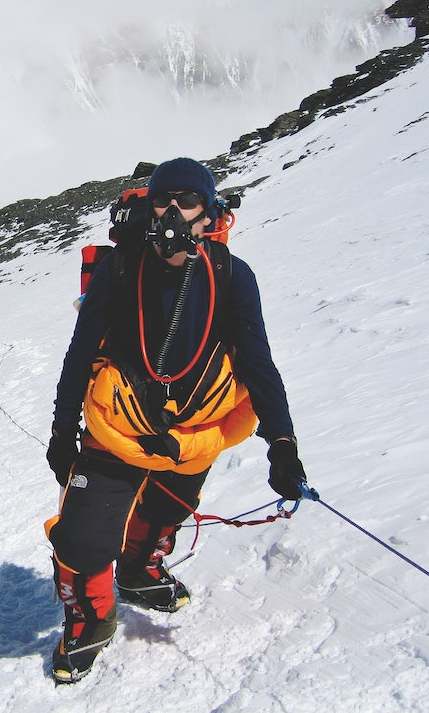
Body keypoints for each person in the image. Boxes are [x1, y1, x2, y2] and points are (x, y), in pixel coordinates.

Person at [43, 157, 308, 684]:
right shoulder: (121, 269)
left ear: (209, 213)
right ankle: (91, 618)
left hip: (192, 431)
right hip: (116, 427)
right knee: (81, 538)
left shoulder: (232, 276)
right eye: (163, 199)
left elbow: (257, 361)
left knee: (170, 506)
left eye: (187, 201)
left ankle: (140, 572)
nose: (172, 211)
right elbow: (79, 354)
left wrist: (282, 441)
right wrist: (62, 431)